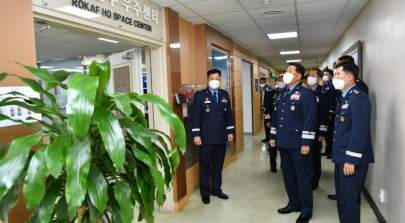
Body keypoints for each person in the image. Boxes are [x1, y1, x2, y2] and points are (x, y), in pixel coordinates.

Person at [269, 63, 317, 223]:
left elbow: (310, 120)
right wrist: (273, 136)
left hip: (299, 144)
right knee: (288, 176)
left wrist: (306, 143)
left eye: (290, 71)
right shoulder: (281, 93)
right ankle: (293, 203)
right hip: (284, 142)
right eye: (286, 70)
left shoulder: (306, 94)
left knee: (302, 178)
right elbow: (277, 117)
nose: (286, 73)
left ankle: (306, 210)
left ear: (298, 76)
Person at [331, 62, 374, 223]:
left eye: (337, 74)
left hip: (351, 160)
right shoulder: (344, 97)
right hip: (341, 157)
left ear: (349, 77)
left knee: (349, 203)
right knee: (342, 200)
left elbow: (359, 131)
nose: (334, 78)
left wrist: (351, 159)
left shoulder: (358, 98)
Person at [191, 68, 235, 205]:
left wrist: (230, 132)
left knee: (218, 166)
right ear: (208, 80)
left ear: (220, 80)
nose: (215, 81)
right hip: (205, 138)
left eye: (217, 79)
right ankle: (205, 192)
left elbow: (229, 116)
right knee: (205, 166)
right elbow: (195, 117)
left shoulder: (224, 94)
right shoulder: (200, 95)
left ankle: (216, 189)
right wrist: (196, 135)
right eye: (212, 79)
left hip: (221, 138)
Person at [307, 68, 329, 190]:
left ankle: (315, 181)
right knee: (306, 157)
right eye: (309, 75)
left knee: (315, 157)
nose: (310, 77)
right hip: (305, 131)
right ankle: (307, 177)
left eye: (313, 75)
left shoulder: (323, 93)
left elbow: (324, 114)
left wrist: (322, 132)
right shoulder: (304, 92)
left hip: (316, 131)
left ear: (319, 78)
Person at [264, 75, 285, 173]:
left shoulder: (288, 93)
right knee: (272, 145)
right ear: (276, 81)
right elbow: (266, 107)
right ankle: (273, 166)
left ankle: (283, 165)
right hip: (272, 123)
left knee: (283, 146)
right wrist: (267, 120)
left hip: (284, 124)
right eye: (279, 80)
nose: (281, 82)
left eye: (283, 80)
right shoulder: (270, 93)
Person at [322, 67, 337, 160]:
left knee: (330, 133)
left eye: (326, 75)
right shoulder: (325, 85)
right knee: (327, 133)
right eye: (324, 75)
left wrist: (331, 110)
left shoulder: (334, 85)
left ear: (331, 75)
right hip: (326, 111)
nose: (325, 76)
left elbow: (332, 98)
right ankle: (327, 150)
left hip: (331, 112)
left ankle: (331, 151)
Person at [260, 77, 272, 143]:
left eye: (262, 82)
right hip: (265, 110)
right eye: (260, 82)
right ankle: (267, 138)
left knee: (268, 125)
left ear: (265, 82)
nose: (261, 83)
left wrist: (267, 111)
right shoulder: (263, 89)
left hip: (268, 111)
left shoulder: (268, 89)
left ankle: (270, 139)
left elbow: (269, 101)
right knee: (265, 124)